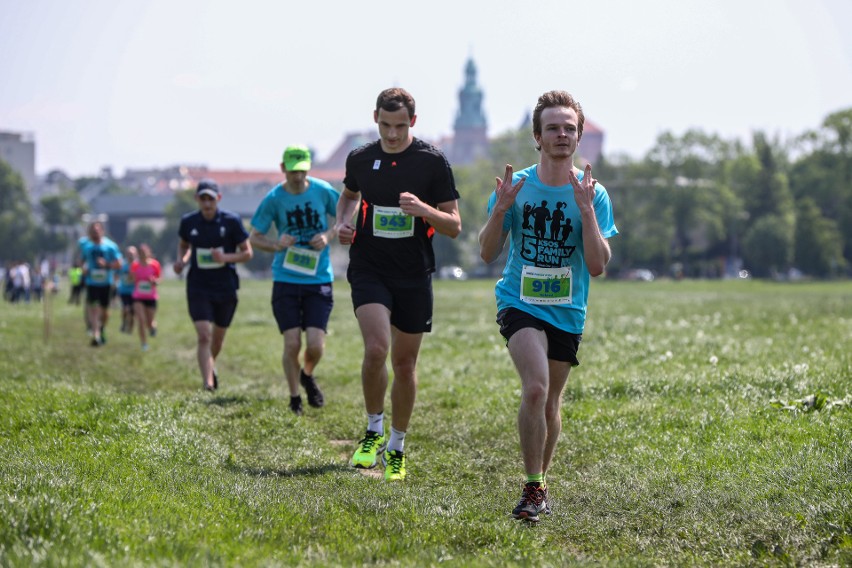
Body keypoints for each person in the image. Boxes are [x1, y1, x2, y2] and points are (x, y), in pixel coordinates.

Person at [478, 90, 618, 522]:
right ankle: (533, 487)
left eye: (569, 128)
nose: (562, 134)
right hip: (519, 301)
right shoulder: (515, 187)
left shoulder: (594, 194)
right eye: (553, 128)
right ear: (537, 137)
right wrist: (500, 211)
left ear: (577, 138)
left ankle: (540, 481)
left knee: (551, 401)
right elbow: (486, 253)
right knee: (535, 387)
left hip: (567, 310)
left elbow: (597, 266)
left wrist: (586, 211)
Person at [335, 87, 461, 481]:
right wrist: (343, 221)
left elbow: (454, 225)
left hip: (413, 273)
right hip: (369, 266)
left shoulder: (431, 161)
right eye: (386, 125)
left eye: (400, 126)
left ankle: (397, 445)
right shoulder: (360, 158)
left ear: (413, 122)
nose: (392, 134)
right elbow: (349, 197)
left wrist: (423, 210)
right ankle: (372, 431)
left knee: (405, 365)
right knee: (376, 348)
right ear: (376, 118)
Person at [249, 145, 340, 415]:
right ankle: (294, 398)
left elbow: (346, 213)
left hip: (318, 279)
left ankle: (307, 374)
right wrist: (277, 244)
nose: (298, 176)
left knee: (315, 345)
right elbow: (254, 237)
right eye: (293, 171)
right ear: (283, 169)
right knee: (292, 343)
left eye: (302, 170)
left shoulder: (323, 191)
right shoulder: (274, 198)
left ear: (308, 168)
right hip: (286, 279)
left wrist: (328, 235)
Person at [173, 179, 253, 391]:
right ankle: (208, 382)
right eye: (203, 198)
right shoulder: (188, 222)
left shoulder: (232, 221)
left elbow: (247, 253)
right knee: (204, 335)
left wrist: (224, 258)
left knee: (217, 340)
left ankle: (211, 365)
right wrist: (182, 260)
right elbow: (183, 245)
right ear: (197, 199)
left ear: (218, 198)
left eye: (211, 198)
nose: (207, 203)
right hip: (198, 286)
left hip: (225, 287)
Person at [81, 221, 123, 346]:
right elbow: (82, 261)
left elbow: (119, 263)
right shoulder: (86, 246)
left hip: (106, 283)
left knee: (104, 311)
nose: (95, 233)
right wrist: (83, 268)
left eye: (97, 231)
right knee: (94, 308)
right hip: (91, 282)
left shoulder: (111, 246)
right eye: (93, 231)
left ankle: (101, 328)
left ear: (102, 231)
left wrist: (107, 265)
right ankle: (96, 335)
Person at [131, 243, 161, 351]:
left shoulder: (155, 265)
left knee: (149, 322)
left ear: (149, 252)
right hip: (138, 296)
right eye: (141, 252)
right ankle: (144, 344)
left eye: (145, 252)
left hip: (151, 297)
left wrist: (154, 281)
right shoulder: (135, 265)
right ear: (138, 253)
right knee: (141, 320)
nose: (143, 254)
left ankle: (152, 327)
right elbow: (132, 279)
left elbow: (158, 280)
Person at [117, 246, 138, 333]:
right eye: (129, 254)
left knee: (132, 311)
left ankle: (130, 328)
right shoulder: (122, 265)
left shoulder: (138, 265)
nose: (130, 256)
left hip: (135, 291)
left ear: (136, 254)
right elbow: (117, 275)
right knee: (126, 309)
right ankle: (124, 322)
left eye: (132, 254)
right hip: (124, 291)